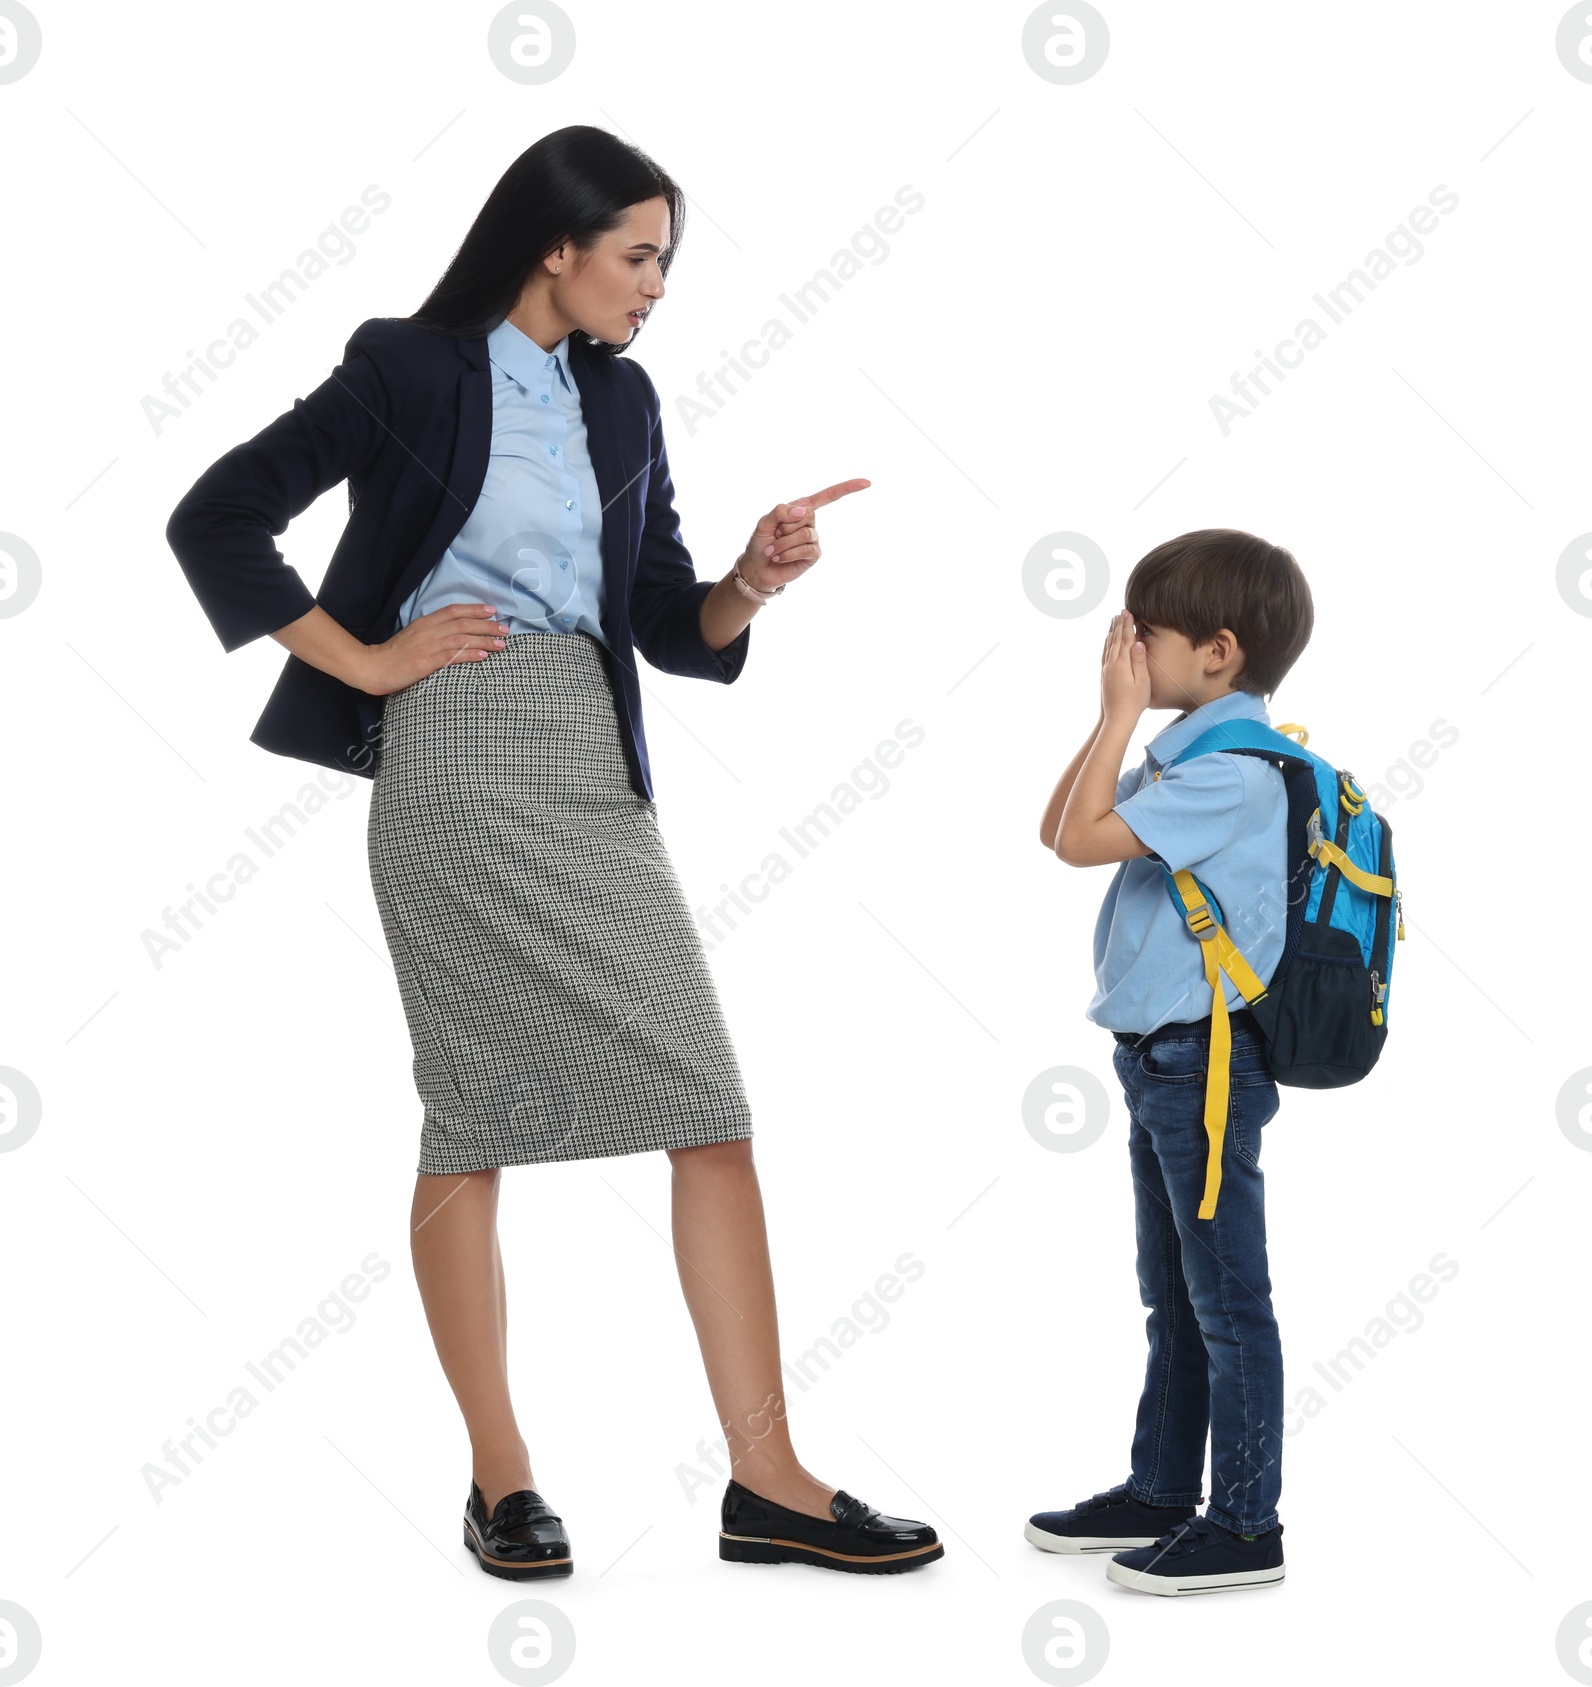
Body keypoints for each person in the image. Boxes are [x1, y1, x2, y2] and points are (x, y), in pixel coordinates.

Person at [165, 124, 942, 1581]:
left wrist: (751, 585)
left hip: (590, 757)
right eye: (639, 258)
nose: (656, 288)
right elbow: (217, 518)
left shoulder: (627, 400)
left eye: (666, 263)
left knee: (706, 1100)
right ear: (555, 245)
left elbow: (664, 620)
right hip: (452, 752)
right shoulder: (405, 367)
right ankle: (502, 1476)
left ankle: (768, 1475)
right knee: (474, 1119)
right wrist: (374, 663)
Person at [1027, 529, 1315, 1595]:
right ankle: (1161, 1489)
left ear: (1220, 652)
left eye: (1144, 634)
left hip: (1203, 1064)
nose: (1126, 648)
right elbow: (1056, 822)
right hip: (1161, 1064)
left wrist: (1112, 716)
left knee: (1226, 1296)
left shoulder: (1234, 777)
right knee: (1175, 1291)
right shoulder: (1186, 757)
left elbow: (1078, 842)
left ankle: (1245, 1523)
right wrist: (1116, 721)